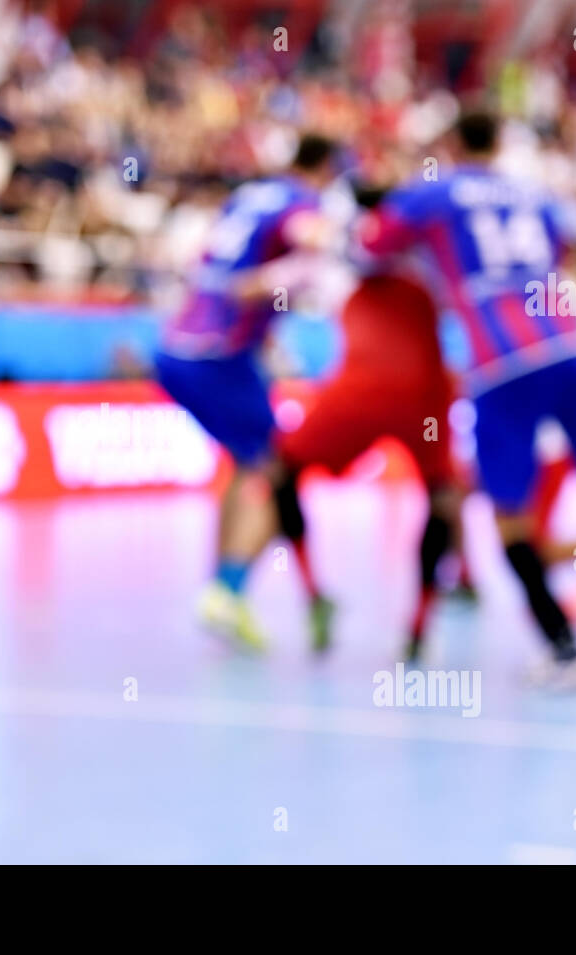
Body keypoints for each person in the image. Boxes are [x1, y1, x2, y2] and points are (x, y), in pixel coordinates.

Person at [358, 109, 576, 686]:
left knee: (507, 516)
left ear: (452, 143)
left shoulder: (433, 194)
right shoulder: (537, 194)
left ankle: (565, 649)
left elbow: (370, 246)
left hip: (500, 364)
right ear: (500, 140)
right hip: (569, 344)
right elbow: (567, 251)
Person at [154, 133, 340, 651]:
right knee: (273, 468)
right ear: (324, 169)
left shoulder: (250, 195)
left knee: (246, 461)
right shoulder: (304, 203)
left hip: (177, 348)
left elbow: (210, 262)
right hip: (219, 354)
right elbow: (310, 239)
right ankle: (226, 589)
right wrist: (322, 257)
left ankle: (223, 593)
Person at [274, 258, 462, 658]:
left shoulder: (340, 263)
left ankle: (313, 594)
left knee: (281, 471)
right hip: (423, 393)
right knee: (443, 497)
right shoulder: (433, 258)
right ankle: (418, 627)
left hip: (363, 392)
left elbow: (271, 284)